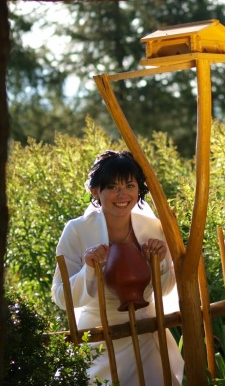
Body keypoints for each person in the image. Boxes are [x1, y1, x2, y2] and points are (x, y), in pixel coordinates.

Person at [51, 150, 184, 385]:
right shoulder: (76, 231)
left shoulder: (154, 228)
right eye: (112, 187)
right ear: (95, 191)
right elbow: (61, 297)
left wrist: (159, 261)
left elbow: (165, 290)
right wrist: (89, 269)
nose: (122, 194)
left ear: (138, 189)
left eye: (130, 185)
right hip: (98, 335)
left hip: (146, 330)